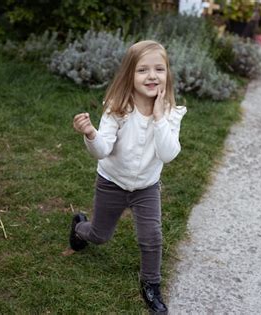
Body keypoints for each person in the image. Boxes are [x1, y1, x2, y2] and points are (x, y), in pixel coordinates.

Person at [70, 40, 187, 314]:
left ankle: (151, 284)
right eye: (143, 70)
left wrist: (158, 117)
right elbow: (102, 150)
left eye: (159, 69)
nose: (152, 76)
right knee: (99, 235)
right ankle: (79, 226)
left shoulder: (170, 113)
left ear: (167, 73)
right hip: (112, 182)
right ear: (129, 75)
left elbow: (168, 154)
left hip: (146, 187)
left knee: (152, 237)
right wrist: (90, 134)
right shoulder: (118, 108)